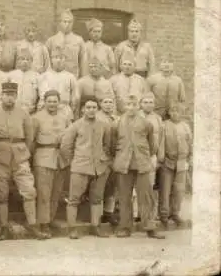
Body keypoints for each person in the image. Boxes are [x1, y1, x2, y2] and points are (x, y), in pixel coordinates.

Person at [0, 81, 49, 241]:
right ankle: (3, 227)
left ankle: (32, 225)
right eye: (6, 95)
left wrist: (23, 152)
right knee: (1, 193)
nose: (9, 99)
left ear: (16, 96)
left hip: (20, 157)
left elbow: (29, 137)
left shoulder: (24, 114)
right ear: (1, 96)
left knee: (29, 190)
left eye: (12, 95)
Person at [112, 94, 165, 239]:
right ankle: (125, 227)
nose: (131, 108)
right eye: (128, 105)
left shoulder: (146, 123)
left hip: (141, 164)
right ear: (124, 106)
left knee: (146, 197)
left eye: (134, 105)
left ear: (138, 106)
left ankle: (149, 227)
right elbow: (112, 143)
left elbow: (152, 145)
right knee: (124, 197)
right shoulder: (117, 123)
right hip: (123, 164)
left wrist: (146, 156)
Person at [61, 97, 112, 239]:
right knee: (74, 199)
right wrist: (74, 162)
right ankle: (72, 228)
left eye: (94, 107)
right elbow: (66, 147)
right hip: (80, 167)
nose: (91, 110)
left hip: (99, 168)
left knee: (97, 198)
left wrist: (104, 161)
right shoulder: (75, 126)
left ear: (98, 108)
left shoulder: (104, 125)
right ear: (83, 109)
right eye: (88, 107)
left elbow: (108, 146)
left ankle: (96, 226)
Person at [32, 89, 72, 237]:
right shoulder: (36, 118)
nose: (52, 104)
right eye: (49, 101)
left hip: (60, 158)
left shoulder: (65, 118)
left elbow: (69, 138)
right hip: (43, 157)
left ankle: (50, 219)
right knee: (44, 193)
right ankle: (43, 223)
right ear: (44, 102)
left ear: (59, 102)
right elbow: (32, 140)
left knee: (56, 193)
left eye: (55, 101)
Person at [157, 103, 192, 228]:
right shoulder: (164, 125)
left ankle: (175, 213)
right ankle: (164, 215)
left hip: (182, 163)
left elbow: (190, 143)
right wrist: (161, 159)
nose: (175, 113)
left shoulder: (185, 127)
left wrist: (189, 158)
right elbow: (160, 143)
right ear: (169, 112)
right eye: (173, 111)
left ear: (182, 113)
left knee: (179, 190)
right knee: (165, 190)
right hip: (167, 162)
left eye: (178, 111)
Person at [95, 95, 120, 226]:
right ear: (100, 104)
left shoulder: (117, 118)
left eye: (111, 102)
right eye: (105, 101)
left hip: (114, 157)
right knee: (99, 187)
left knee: (111, 186)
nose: (108, 104)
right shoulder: (96, 117)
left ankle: (108, 213)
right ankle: (96, 216)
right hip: (101, 157)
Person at [37, 46, 78, 121]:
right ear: (51, 60)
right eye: (56, 57)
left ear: (65, 60)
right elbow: (41, 97)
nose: (59, 60)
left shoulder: (71, 77)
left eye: (61, 58)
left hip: (64, 111)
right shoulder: (43, 76)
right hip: (46, 111)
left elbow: (74, 98)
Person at [139, 92, 164, 218]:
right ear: (140, 104)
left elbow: (161, 138)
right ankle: (136, 214)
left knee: (150, 184)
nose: (148, 105)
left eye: (151, 102)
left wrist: (159, 156)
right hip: (137, 156)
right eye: (145, 102)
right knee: (137, 185)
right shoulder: (136, 116)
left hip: (151, 155)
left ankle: (149, 214)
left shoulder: (157, 118)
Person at [45, 9, 86, 78]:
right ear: (60, 22)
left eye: (70, 22)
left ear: (73, 23)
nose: (67, 24)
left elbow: (83, 62)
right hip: (55, 78)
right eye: (65, 22)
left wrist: (82, 78)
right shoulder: (51, 40)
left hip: (73, 77)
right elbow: (46, 61)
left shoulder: (79, 40)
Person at [7, 47, 39, 114]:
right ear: (18, 61)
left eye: (28, 59)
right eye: (22, 59)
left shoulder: (36, 76)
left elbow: (39, 95)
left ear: (31, 61)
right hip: (13, 110)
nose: (25, 61)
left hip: (30, 110)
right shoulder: (11, 75)